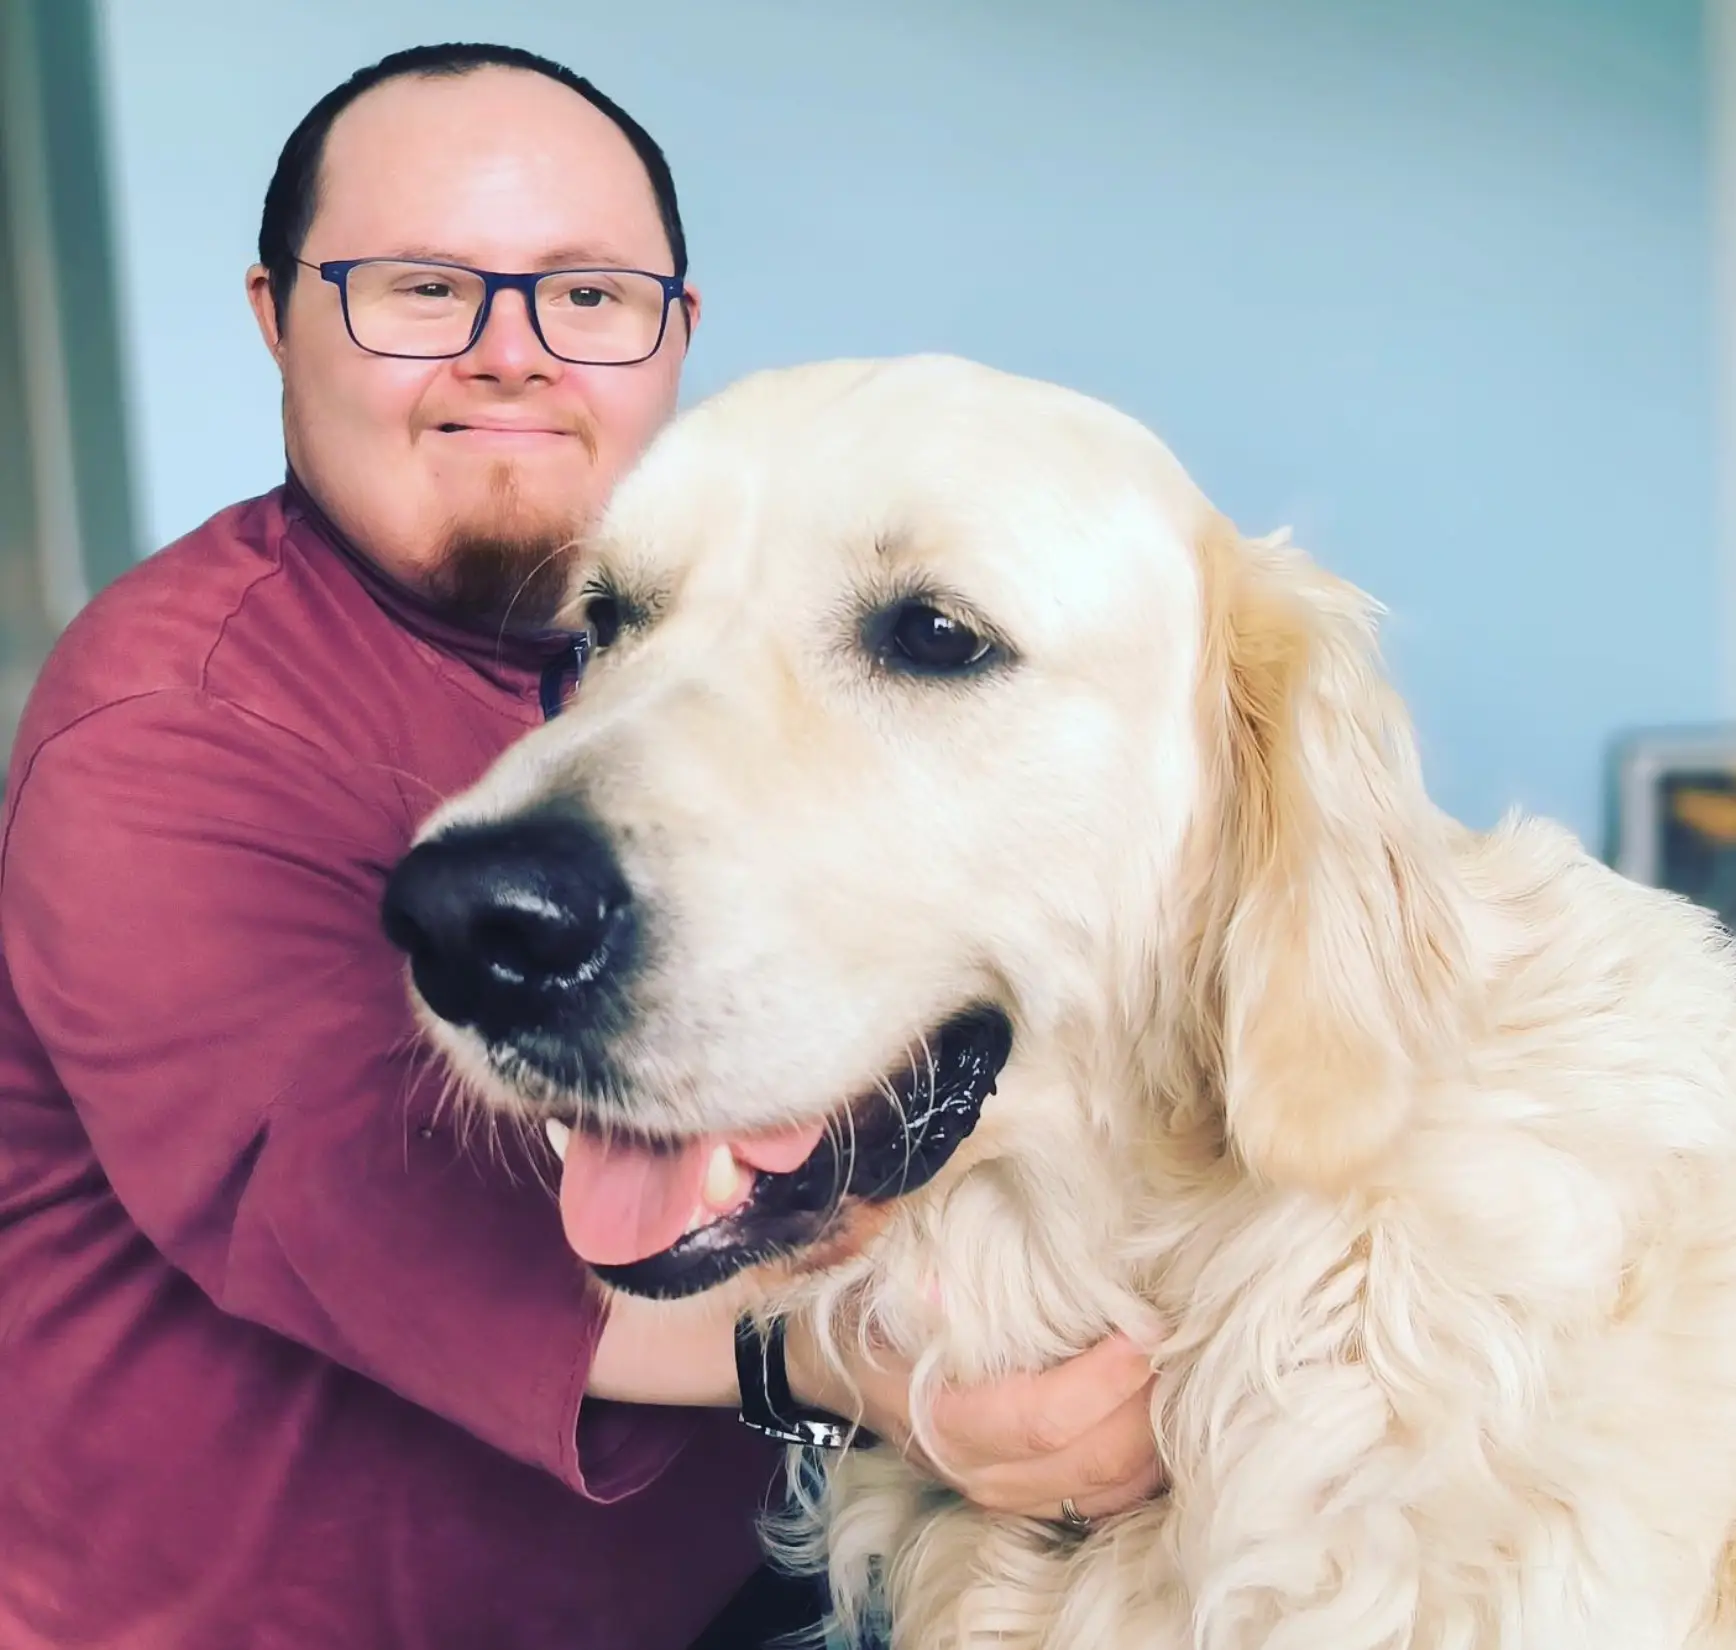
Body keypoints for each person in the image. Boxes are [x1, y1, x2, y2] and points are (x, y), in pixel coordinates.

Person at [0, 42, 1162, 1650]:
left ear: (670, 337)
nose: (510, 357)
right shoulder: (160, 724)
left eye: (588, 295)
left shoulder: (690, 668)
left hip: (712, 1592)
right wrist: (876, 1371)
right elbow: (378, 1213)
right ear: (276, 318)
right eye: (417, 288)